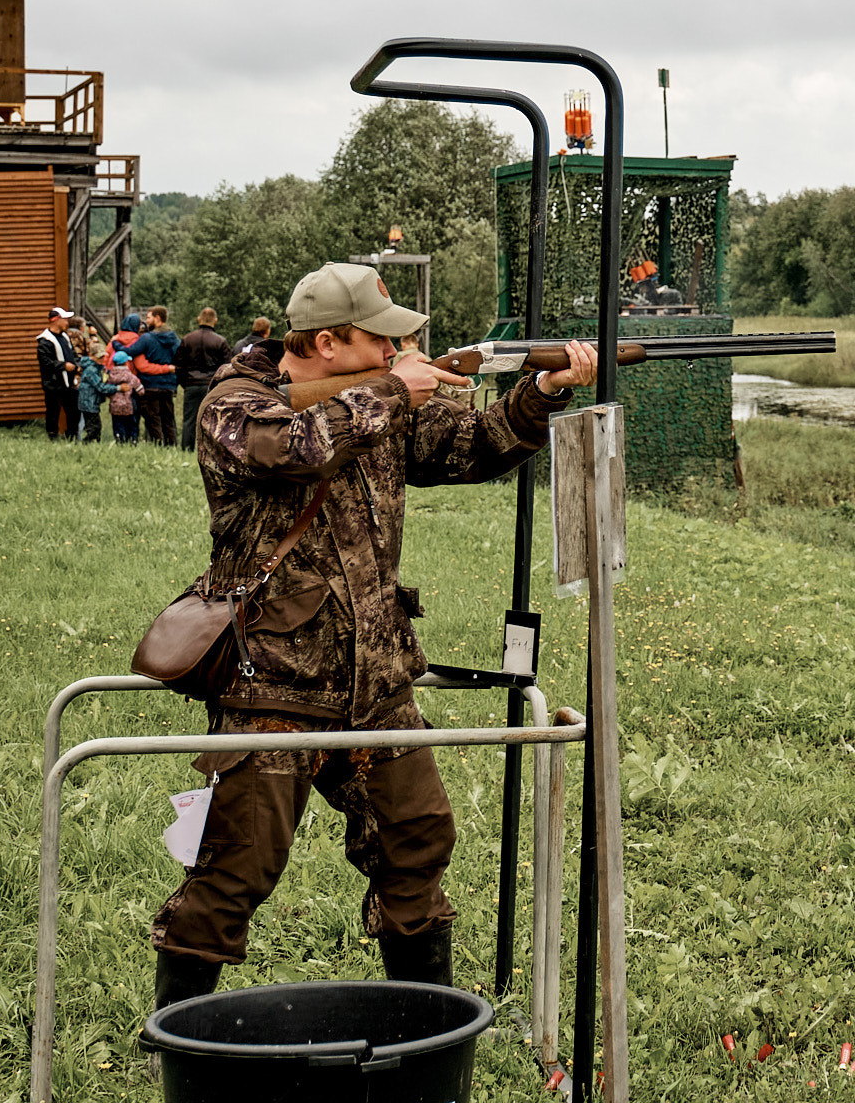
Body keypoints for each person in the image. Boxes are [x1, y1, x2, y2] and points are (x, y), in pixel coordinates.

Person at [148, 262, 597, 1010]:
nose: (394, 355)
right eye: (378, 342)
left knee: (417, 845)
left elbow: (471, 445)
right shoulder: (234, 408)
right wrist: (393, 390)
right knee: (235, 871)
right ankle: (177, 1039)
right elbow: (297, 445)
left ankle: (427, 1028)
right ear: (326, 342)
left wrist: (540, 394)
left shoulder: (377, 401)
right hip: (275, 684)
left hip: (375, 683)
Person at [174, 308, 232, 451]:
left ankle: (186, 449)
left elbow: (179, 366)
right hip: (212, 386)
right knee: (213, 420)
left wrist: (185, 383)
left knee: (189, 420)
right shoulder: (220, 341)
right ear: (215, 321)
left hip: (191, 384)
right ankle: (210, 450)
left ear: (199, 319)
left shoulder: (187, 339)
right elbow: (226, 367)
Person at [129, 307, 181, 445]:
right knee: (168, 418)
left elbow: (131, 350)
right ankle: (172, 444)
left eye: (149, 317)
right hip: (168, 385)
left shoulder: (147, 338)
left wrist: (117, 345)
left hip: (150, 384)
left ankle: (157, 445)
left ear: (158, 318)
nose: (146, 321)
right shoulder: (175, 340)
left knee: (153, 419)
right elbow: (180, 359)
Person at [36, 308, 77, 441]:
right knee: (53, 412)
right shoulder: (44, 341)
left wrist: (76, 363)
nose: (67, 322)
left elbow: (72, 354)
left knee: (73, 411)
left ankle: (72, 436)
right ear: (56, 320)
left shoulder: (65, 337)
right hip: (53, 383)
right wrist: (63, 366)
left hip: (69, 382)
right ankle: (52, 436)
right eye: (65, 319)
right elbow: (45, 362)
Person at [74, 333, 108, 443]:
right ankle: (85, 443)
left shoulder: (96, 367)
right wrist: (117, 388)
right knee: (94, 428)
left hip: (91, 402)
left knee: (96, 427)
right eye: (99, 357)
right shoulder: (91, 370)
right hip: (89, 403)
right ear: (91, 356)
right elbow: (100, 387)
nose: (102, 359)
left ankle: (94, 445)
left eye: (103, 356)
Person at [108, 348, 141, 444]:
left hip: (115, 406)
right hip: (129, 404)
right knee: (131, 424)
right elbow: (140, 390)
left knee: (118, 424)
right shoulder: (131, 376)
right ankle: (133, 440)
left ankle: (119, 439)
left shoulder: (111, 376)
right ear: (126, 362)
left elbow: (107, 388)